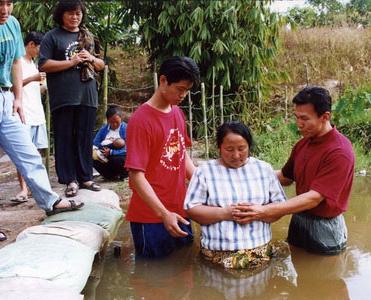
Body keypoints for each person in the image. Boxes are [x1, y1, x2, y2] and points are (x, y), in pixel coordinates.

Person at [0, 0, 83, 243]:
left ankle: (51, 201)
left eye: (10, 3)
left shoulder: (11, 24)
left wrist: (18, 97)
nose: (5, 10)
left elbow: (14, 63)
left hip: (6, 96)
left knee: (28, 153)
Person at [233, 86, 355, 255]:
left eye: (304, 118)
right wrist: (245, 174)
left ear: (325, 117)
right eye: (296, 118)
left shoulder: (339, 152)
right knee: (300, 271)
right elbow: (285, 177)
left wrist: (265, 211)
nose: (299, 124)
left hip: (325, 227)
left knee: (325, 277)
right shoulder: (304, 143)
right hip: (299, 218)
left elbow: (314, 198)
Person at [184, 121, 287, 268]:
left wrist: (259, 213)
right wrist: (223, 213)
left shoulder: (264, 169)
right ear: (219, 148)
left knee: (258, 288)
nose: (236, 155)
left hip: (260, 254)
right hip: (216, 257)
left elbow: (281, 206)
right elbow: (190, 209)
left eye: (241, 148)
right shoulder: (204, 172)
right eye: (229, 149)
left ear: (249, 146)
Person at [125, 56, 200, 258]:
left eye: (187, 90)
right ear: (163, 80)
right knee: (153, 279)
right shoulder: (141, 122)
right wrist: (163, 214)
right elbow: (136, 175)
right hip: (152, 217)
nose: (183, 95)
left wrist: (205, 184)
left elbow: (182, 156)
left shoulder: (177, 113)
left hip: (180, 211)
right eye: (180, 89)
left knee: (185, 272)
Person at [38, 1, 104, 198]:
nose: (75, 17)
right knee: (65, 138)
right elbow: (44, 64)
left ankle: (86, 177)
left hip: (87, 95)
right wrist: (72, 62)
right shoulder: (52, 36)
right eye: (70, 14)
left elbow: (101, 64)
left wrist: (90, 59)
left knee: (84, 138)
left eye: (78, 13)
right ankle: (70, 180)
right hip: (63, 97)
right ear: (61, 15)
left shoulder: (88, 36)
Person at [10, 31, 48, 203]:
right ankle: (23, 189)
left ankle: (34, 188)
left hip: (37, 113)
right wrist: (32, 78)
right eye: (39, 48)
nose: (40, 52)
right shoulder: (17, 62)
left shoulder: (34, 64)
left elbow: (36, 89)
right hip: (23, 113)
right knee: (23, 153)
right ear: (31, 44)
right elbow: (11, 87)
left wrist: (43, 85)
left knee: (36, 153)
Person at [93, 105, 128, 180]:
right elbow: (95, 143)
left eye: (117, 122)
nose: (115, 124)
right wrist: (105, 145)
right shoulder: (103, 129)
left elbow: (129, 147)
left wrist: (112, 152)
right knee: (92, 158)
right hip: (104, 153)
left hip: (120, 154)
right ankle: (109, 176)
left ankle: (123, 174)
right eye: (112, 122)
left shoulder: (126, 128)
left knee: (117, 158)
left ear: (121, 119)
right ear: (108, 121)